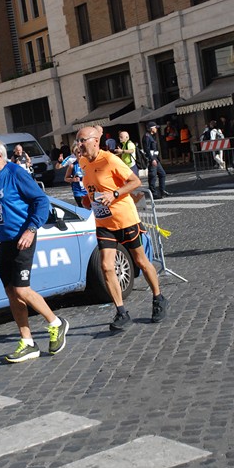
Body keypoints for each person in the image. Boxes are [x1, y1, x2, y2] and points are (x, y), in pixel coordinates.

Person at [0, 138, 69, 363]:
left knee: (22, 289)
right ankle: (27, 342)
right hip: (2, 241)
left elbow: (40, 200)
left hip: (23, 239)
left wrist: (30, 230)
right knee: (11, 291)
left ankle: (56, 323)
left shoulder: (15, 172)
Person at [76, 126, 168, 330]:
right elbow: (94, 188)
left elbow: (134, 181)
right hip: (103, 223)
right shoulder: (83, 163)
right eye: (78, 141)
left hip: (125, 219)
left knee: (141, 261)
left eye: (82, 140)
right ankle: (121, 312)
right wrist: (87, 199)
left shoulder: (110, 160)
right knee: (107, 266)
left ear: (94, 141)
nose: (79, 145)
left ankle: (158, 298)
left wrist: (115, 195)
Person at [142, 122, 170, 200]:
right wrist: (151, 159)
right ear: (151, 128)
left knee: (162, 174)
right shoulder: (147, 137)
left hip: (155, 159)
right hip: (152, 160)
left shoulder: (151, 136)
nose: (157, 129)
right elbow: (147, 149)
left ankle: (162, 191)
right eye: (155, 127)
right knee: (152, 177)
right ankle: (153, 194)